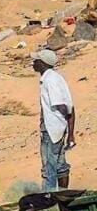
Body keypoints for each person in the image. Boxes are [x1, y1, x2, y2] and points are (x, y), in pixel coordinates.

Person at [32, 48, 75, 191]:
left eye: (36, 60)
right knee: (60, 165)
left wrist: (59, 122)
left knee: (49, 169)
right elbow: (70, 107)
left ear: (43, 63)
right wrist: (69, 132)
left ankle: (49, 202)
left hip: (51, 130)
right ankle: (63, 196)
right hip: (59, 129)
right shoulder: (57, 77)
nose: (33, 63)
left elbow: (63, 106)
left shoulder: (50, 80)